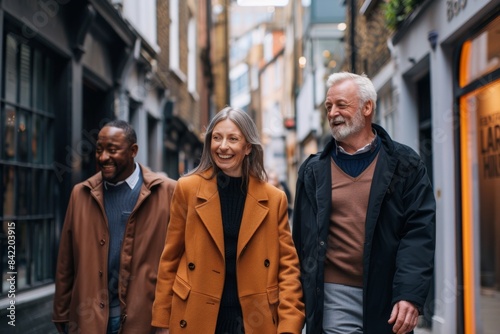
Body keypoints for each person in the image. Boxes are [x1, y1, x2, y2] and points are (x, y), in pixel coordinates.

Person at [292, 72, 436, 334]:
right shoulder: (312, 172)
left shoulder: (406, 165)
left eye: (341, 105)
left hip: (388, 299)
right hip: (332, 297)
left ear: (367, 107)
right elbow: (300, 242)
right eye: (328, 106)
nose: (333, 112)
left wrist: (409, 294)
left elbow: (418, 233)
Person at [152, 106, 305, 333]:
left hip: (254, 321)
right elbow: (170, 259)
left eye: (233, 139)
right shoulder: (187, 189)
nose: (223, 146)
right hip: (196, 317)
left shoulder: (274, 199)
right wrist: (162, 322)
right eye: (217, 138)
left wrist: (289, 327)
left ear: (247, 147)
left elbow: (288, 271)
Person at [52, 120, 177, 334]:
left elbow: (179, 260)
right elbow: (66, 262)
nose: (103, 158)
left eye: (112, 150)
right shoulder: (80, 194)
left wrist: (168, 319)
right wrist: (62, 313)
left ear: (133, 151)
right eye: (99, 150)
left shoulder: (168, 192)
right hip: (89, 320)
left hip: (145, 320)